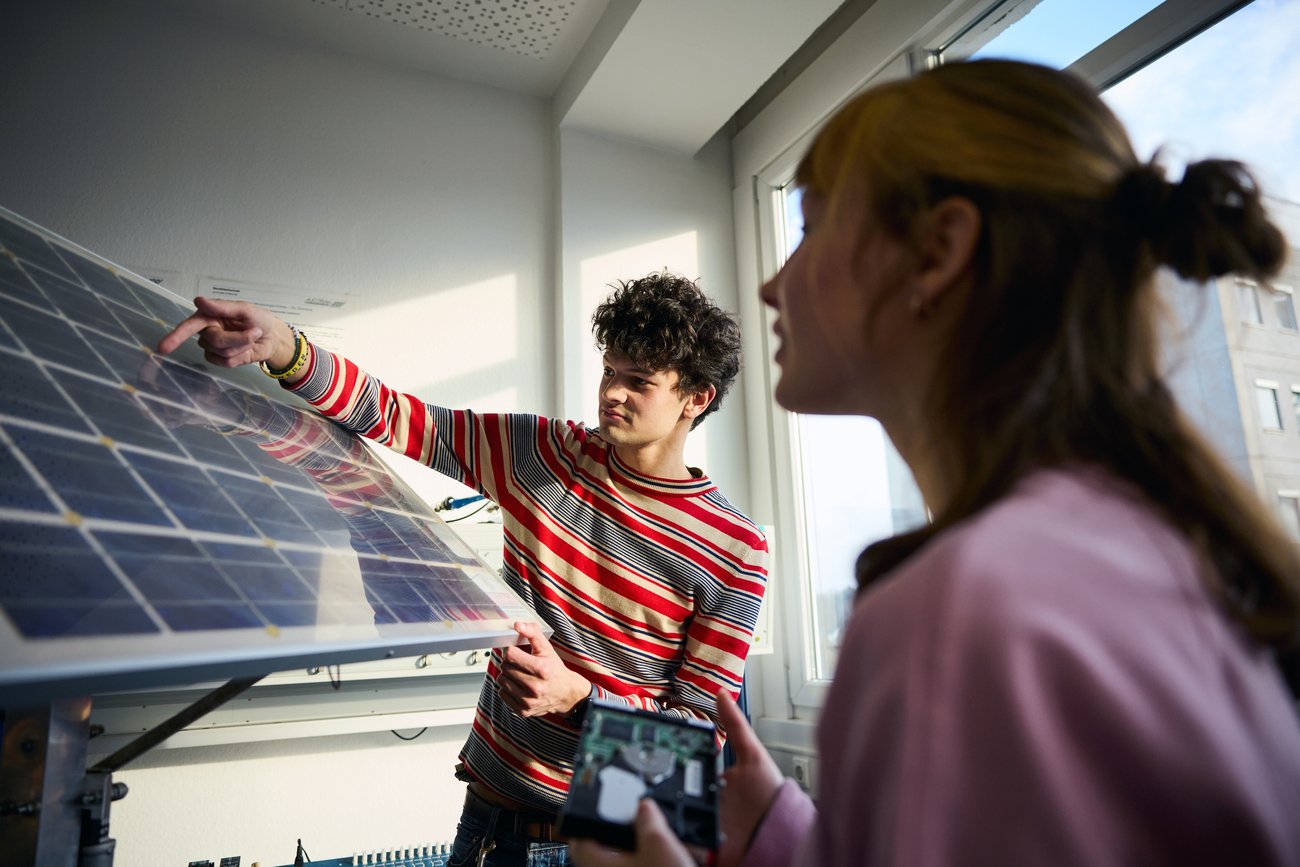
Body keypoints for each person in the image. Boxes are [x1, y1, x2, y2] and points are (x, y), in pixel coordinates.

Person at [569, 59, 1300, 867]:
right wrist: (783, 830)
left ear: (938, 251)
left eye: (810, 229)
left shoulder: (959, 613)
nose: (774, 287)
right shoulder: (1150, 546)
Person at [156, 272, 769, 867]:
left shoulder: (737, 550)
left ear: (695, 398)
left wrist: (580, 698)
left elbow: (702, 739)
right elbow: (403, 419)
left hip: (622, 841)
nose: (611, 392)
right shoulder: (543, 455)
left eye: (639, 381)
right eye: (610, 370)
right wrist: (287, 348)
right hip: (491, 817)